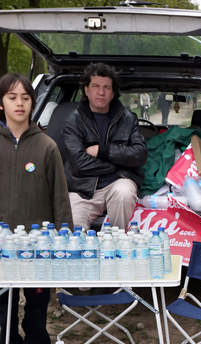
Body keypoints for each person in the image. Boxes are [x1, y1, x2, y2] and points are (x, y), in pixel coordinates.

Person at [0, 73, 73, 344]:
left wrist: (63, 237)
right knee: (2, 300)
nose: (20, 103)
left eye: (25, 97)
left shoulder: (46, 146)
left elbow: (60, 198)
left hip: (38, 242)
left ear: (33, 103)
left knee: (37, 299)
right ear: (0, 103)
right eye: (12, 97)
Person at [62, 63, 147, 231]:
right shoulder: (73, 121)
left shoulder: (128, 118)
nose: (101, 92)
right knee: (72, 229)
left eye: (107, 87)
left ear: (113, 92)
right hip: (82, 189)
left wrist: (102, 151)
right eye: (96, 86)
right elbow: (79, 164)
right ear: (86, 90)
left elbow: (140, 155)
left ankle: (118, 243)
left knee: (124, 192)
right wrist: (119, 163)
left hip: (117, 185)